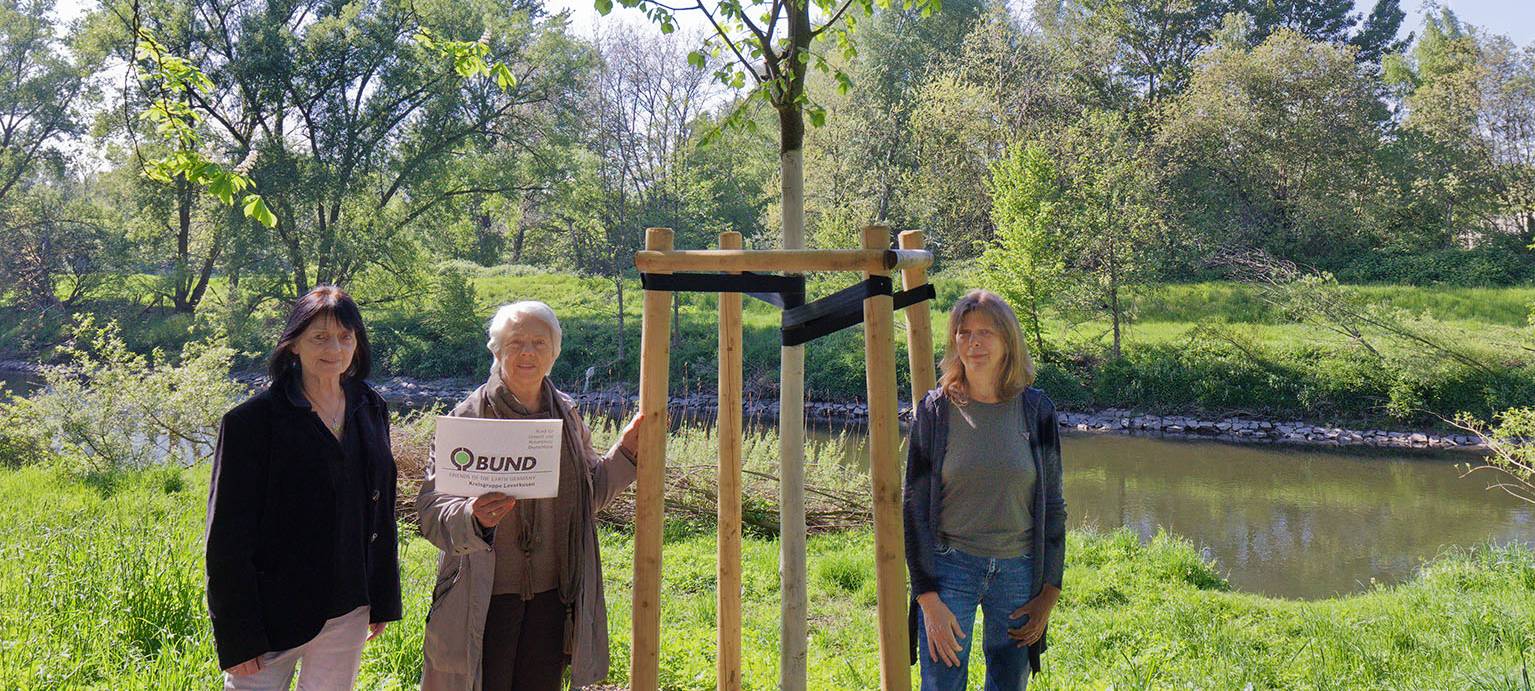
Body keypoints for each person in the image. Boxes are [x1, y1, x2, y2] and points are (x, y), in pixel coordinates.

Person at [418, 300, 643, 690]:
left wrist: (625, 453)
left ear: (553, 354)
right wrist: (473, 516)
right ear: (497, 351)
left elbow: (588, 496)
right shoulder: (467, 418)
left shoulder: (567, 416)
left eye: (539, 343)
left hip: (553, 596)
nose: (527, 352)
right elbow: (431, 509)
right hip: (483, 598)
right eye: (516, 342)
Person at [206, 286, 402, 689]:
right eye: (319, 337)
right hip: (270, 615)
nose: (335, 348)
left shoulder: (371, 408)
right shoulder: (252, 423)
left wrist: (381, 597)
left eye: (346, 337)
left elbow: (379, 510)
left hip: (348, 608)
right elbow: (226, 537)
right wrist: (237, 637)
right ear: (293, 344)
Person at [904, 289, 1067, 691]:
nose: (973, 343)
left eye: (986, 333)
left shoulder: (1036, 410)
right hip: (949, 569)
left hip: (1017, 569)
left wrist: (1049, 592)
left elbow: (1053, 505)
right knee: (942, 682)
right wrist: (927, 598)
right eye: (964, 332)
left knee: (1009, 685)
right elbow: (914, 507)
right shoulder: (935, 412)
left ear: (1008, 340)